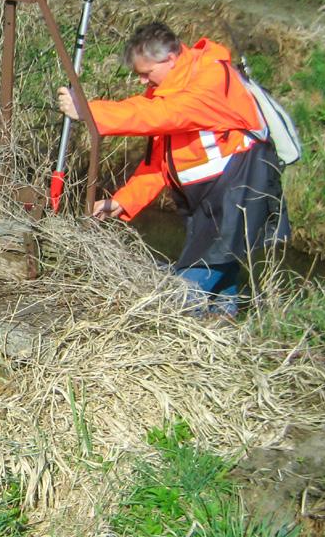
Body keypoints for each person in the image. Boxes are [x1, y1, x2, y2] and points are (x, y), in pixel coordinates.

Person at [57, 21, 289, 316]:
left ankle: (177, 335)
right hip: (208, 199)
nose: (142, 82)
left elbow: (157, 116)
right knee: (219, 275)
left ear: (169, 58)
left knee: (187, 289)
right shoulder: (169, 88)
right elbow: (160, 162)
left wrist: (89, 112)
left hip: (239, 192)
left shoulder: (210, 80)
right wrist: (122, 201)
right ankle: (222, 330)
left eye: (145, 73)